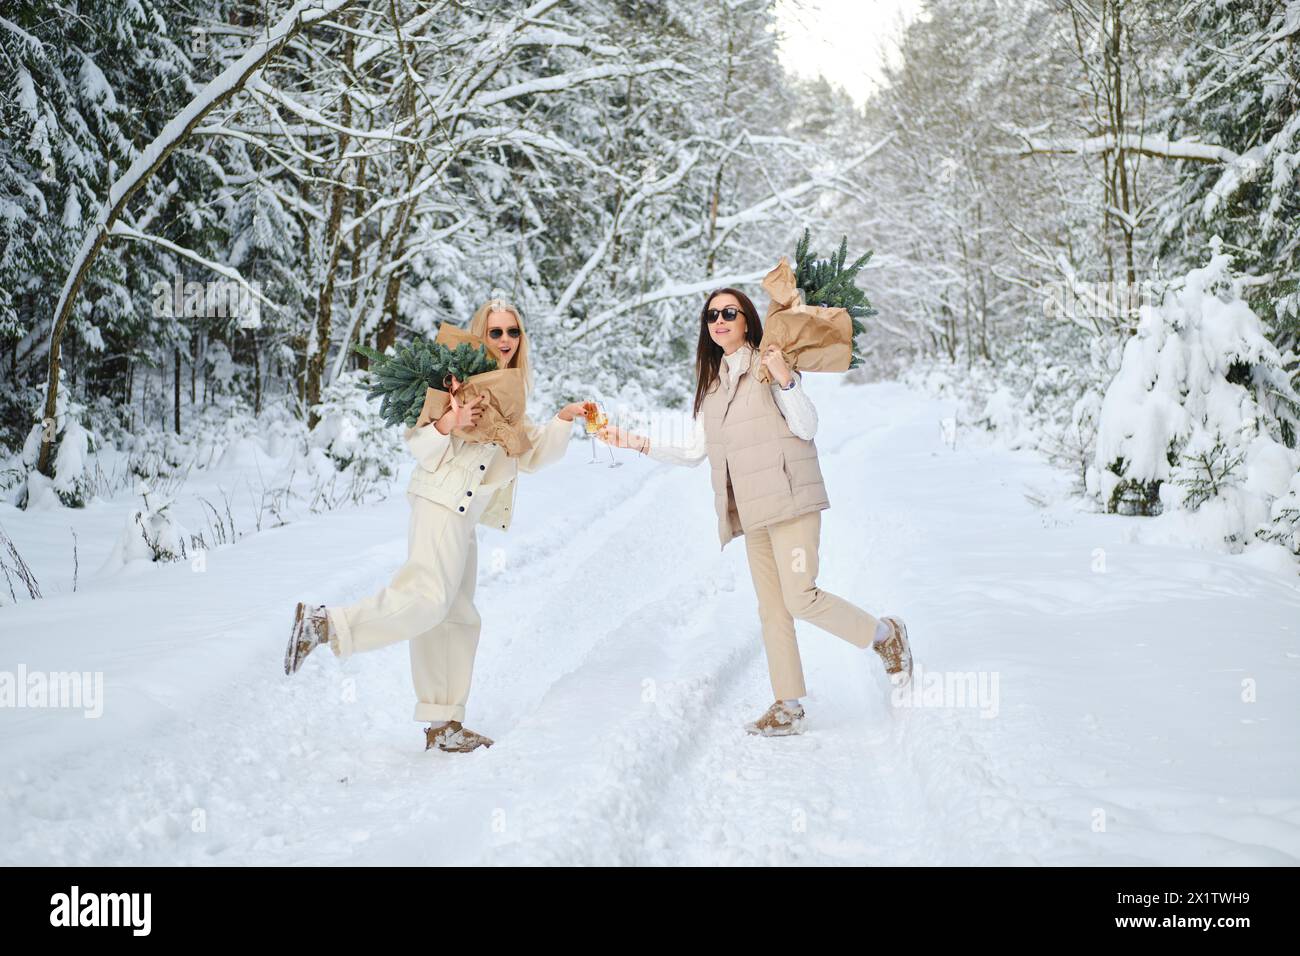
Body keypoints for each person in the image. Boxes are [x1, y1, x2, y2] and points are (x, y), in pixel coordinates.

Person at [598, 287, 913, 736]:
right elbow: (693, 451)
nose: (720, 320)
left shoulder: (769, 361)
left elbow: (807, 426)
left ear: (747, 320)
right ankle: (788, 705)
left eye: (730, 312)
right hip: (753, 511)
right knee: (772, 609)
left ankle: (886, 636)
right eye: (712, 316)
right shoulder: (713, 385)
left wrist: (786, 376)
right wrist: (635, 441)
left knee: (801, 597)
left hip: (792, 501)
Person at [284, 293, 590, 752]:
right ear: (480, 333)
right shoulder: (455, 375)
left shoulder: (509, 391)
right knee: (427, 599)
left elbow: (528, 454)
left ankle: (442, 724)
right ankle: (325, 624)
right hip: (440, 502)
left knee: (455, 616)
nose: (505, 339)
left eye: (513, 332)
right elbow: (418, 441)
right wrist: (451, 419)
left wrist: (563, 421)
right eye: (496, 331)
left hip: (465, 513)